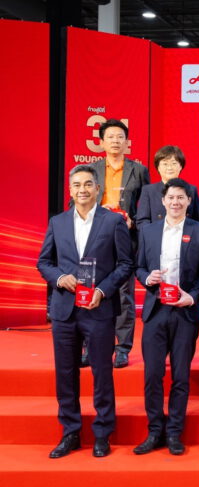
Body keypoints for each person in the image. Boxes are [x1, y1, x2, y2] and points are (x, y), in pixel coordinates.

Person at [37, 165, 133, 458]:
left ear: (97, 188)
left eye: (88, 184)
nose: (82, 190)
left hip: (99, 309)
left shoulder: (113, 221)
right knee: (65, 373)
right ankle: (70, 432)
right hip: (65, 310)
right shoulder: (58, 222)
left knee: (102, 373)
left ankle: (103, 433)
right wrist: (58, 278)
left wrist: (102, 290)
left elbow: (125, 264)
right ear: (70, 190)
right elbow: (44, 262)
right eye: (77, 185)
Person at [133, 179, 199, 455]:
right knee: (152, 375)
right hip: (156, 310)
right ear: (163, 201)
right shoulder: (148, 231)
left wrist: (193, 296)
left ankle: (175, 433)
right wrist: (147, 278)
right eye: (171, 197)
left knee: (181, 375)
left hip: (185, 312)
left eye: (181, 197)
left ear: (189, 201)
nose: (176, 202)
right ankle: (155, 431)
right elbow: (138, 267)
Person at [89, 119, 149, 369]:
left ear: (127, 142)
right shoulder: (90, 170)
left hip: (126, 237)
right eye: (110, 137)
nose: (115, 141)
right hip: (97, 237)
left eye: (120, 137)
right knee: (93, 289)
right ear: (101, 142)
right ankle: (91, 346)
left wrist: (133, 220)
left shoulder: (139, 170)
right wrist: (97, 210)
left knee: (124, 293)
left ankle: (122, 348)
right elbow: (75, 202)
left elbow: (147, 204)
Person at [135, 145, 199, 229]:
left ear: (180, 166)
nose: (169, 168)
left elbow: (197, 220)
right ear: (158, 167)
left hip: (185, 235)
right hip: (157, 235)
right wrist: (153, 234)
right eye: (165, 164)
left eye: (174, 163)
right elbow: (142, 221)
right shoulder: (149, 191)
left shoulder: (191, 190)